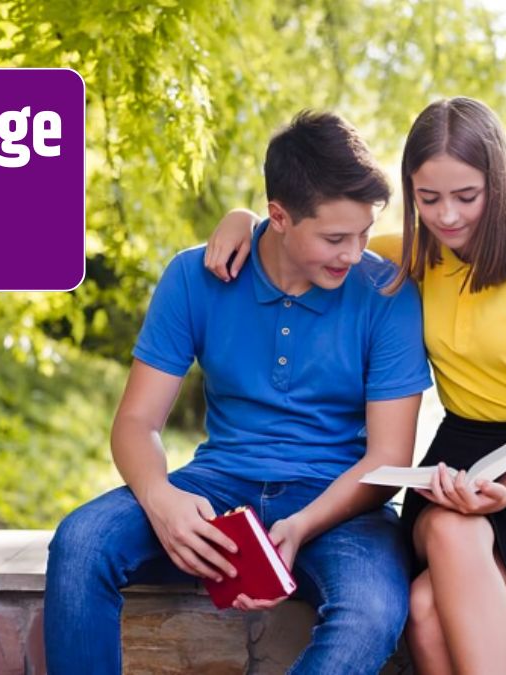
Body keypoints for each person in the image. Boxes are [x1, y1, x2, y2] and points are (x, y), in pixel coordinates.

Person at [205, 96, 506, 675]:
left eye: (466, 196)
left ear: (500, 185)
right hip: (456, 456)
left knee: (423, 608)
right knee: (445, 528)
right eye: (428, 198)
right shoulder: (412, 255)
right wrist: (240, 218)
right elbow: (306, 229)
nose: (447, 217)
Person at [43, 110, 433, 675]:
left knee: (372, 610)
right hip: (220, 482)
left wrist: (300, 527)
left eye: (365, 234)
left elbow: (388, 460)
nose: (355, 253)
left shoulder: (387, 294)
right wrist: (161, 499)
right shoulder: (194, 277)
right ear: (279, 216)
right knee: (81, 544)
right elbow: (136, 423)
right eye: (335, 237)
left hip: (342, 502)